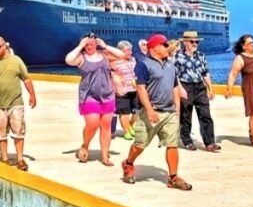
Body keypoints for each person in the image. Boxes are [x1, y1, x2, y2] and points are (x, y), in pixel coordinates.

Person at [121, 34, 192, 191]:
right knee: (140, 145)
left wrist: (177, 109)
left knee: (172, 144)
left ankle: (173, 177)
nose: (169, 47)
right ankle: (129, 163)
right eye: (165, 45)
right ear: (154, 47)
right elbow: (141, 88)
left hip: (169, 111)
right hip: (150, 112)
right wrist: (150, 110)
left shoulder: (170, 65)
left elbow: (175, 87)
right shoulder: (144, 64)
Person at [65, 33, 125, 166]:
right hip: (89, 96)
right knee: (92, 124)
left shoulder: (104, 55)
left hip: (107, 95)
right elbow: (68, 60)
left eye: (91, 44)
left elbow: (122, 55)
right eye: (86, 44)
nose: (88, 46)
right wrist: (80, 45)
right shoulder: (81, 58)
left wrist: (105, 46)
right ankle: (85, 145)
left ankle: (105, 156)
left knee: (106, 126)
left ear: (96, 44)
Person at [0, 35, 36, 171]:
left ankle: (20, 159)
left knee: (18, 131)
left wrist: (32, 95)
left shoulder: (16, 61)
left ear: (4, 46)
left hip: (15, 101)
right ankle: (4, 158)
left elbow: (26, 79)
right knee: (0, 133)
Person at [174, 31, 220, 152]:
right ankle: (187, 140)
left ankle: (209, 142)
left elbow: (205, 73)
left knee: (205, 114)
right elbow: (174, 75)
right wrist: (180, 89)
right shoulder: (177, 56)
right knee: (186, 115)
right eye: (192, 41)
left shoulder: (201, 55)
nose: (195, 44)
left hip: (200, 86)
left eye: (197, 41)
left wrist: (210, 88)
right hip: (185, 85)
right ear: (185, 42)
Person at [110, 41, 138, 141]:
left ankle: (130, 125)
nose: (130, 52)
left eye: (130, 50)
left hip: (135, 88)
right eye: (127, 50)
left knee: (137, 111)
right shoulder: (114, 62)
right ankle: (126, 131)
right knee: (124, 112)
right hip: (122, 90)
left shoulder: (133, 60)